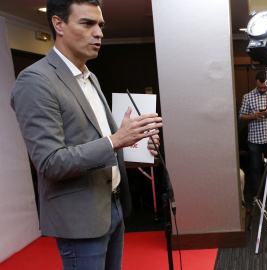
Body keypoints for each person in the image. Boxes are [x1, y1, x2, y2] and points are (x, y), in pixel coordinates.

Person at [10, 0, 163, 268]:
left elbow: (101, 148)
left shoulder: (90, 77)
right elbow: (49, 163)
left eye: (100, 25)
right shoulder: (36, 81)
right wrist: (117, 140)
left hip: (113, 206)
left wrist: (135, 145)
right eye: (87, 23)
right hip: (80, 219)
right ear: (58, 24)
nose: (99, 33)